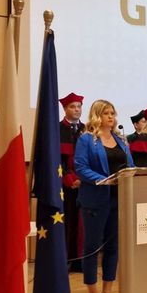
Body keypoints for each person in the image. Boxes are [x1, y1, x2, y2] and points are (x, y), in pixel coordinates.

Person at [74, 100, 134, 293]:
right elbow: (80, 167)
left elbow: (130, 166)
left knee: (113, 247)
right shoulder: (87, 139)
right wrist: (103, 180)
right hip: (95, 200)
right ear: (97, 116)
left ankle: (107, 292)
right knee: (92, 248)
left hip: (119, 200)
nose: (111, 117)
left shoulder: (120, 139)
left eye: (113, 113)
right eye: (106, 113)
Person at [59, 92, 85, 273]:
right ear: (65, 109)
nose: (76, 110)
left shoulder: (87, 129)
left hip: (85, 184)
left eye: (79, 106)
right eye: (72, 107)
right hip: (65, 186)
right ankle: (65, 259)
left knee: (82, 224)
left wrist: (83, 178)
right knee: (67, 222)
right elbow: (56, 159)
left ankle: (80, 260)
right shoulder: (57, 129)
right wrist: (70, 179)